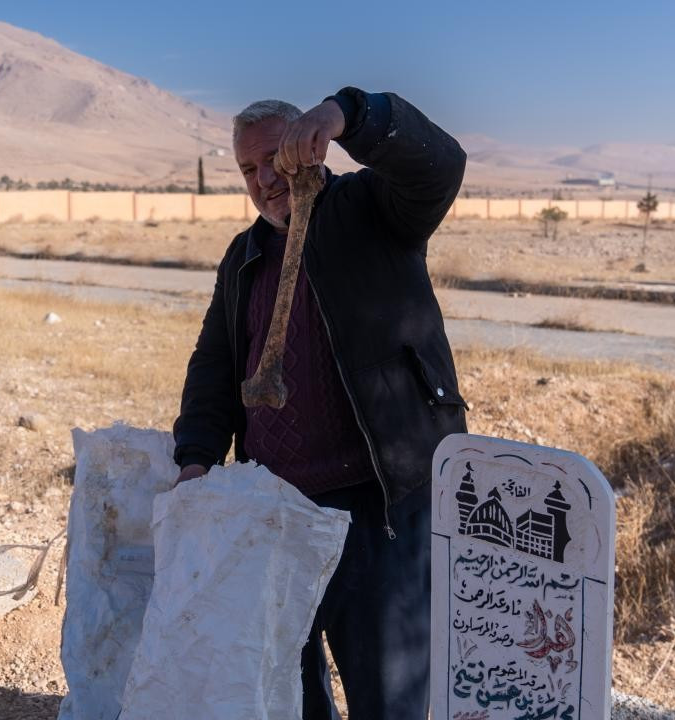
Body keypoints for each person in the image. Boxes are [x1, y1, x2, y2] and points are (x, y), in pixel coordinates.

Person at [171, 86, 467, 718]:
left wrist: (352, 114)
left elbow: (441, 164)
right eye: (248, 170)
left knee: (389, 697)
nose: (262, 181)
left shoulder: (371, 211)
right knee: (287, 689)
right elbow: (216, 366)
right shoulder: (245, 255)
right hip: (278, 511)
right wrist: (196, 456)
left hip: (378, 506)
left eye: (273, 159)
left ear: (309, 146)